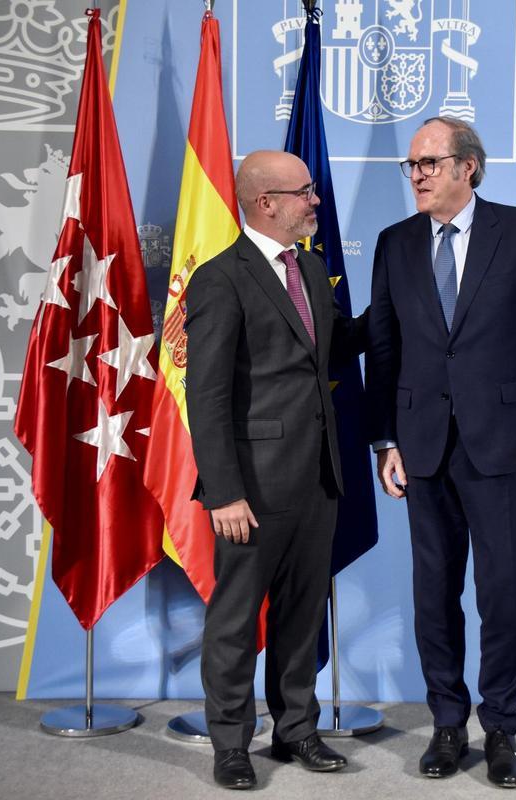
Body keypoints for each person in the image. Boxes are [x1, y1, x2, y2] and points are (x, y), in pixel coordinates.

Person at [366, 117, 516, 788]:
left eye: (430, 162)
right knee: (434, 595)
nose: (418, 174)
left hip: (504, 447)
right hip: (422, 448)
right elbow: (386, 349)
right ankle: (448, 724)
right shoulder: (395, 244)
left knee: (504, 594)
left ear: (468, 168)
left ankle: (503, 730)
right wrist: (384, 439)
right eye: (412, 165)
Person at [186, 150, 365, 790]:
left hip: (319, 476)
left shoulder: (312, 269)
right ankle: (231, 746)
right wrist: (225, 493)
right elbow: (204, 395)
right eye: (306, 192)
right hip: (252, 489)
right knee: (236, 622)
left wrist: (390, 314)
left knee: (300, 616)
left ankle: (296, 733)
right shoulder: (219, 279)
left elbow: (332, 349)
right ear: (267, 203)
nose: (316, 201)